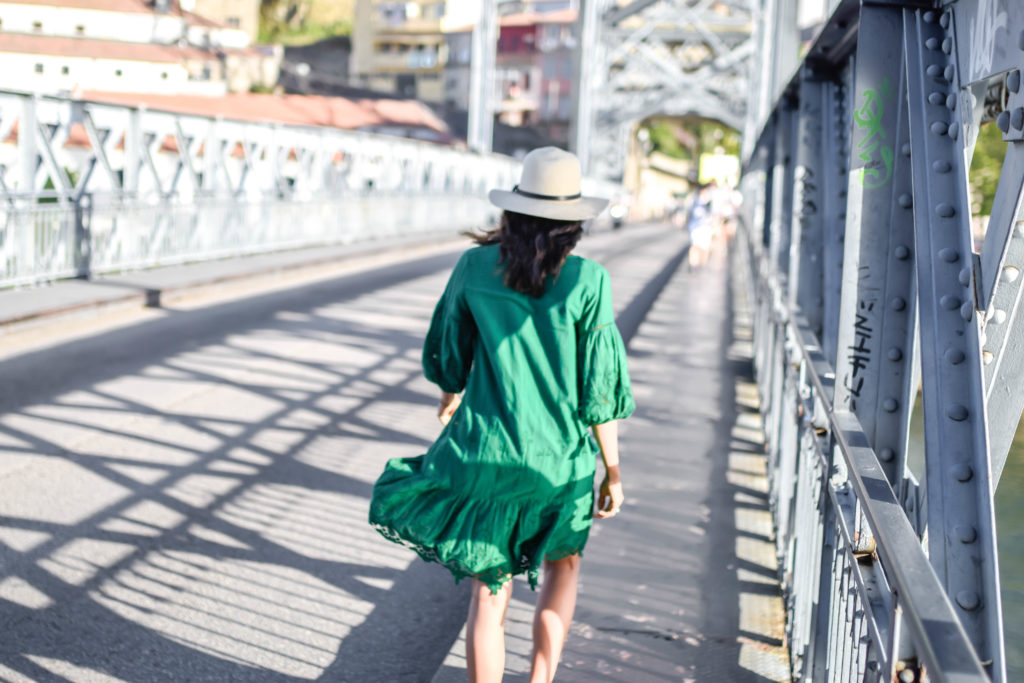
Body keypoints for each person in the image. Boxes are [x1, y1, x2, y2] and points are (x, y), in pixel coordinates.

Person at [369, 147, 634, 683]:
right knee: (564, 566)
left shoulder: (473, 267)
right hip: (558, 465)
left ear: (513, 210)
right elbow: (599, 391)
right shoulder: (589, 280)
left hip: (484, 455)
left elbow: (450, 350)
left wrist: (449, 395)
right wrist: (612, 470)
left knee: (489, 594)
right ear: (573, 221)